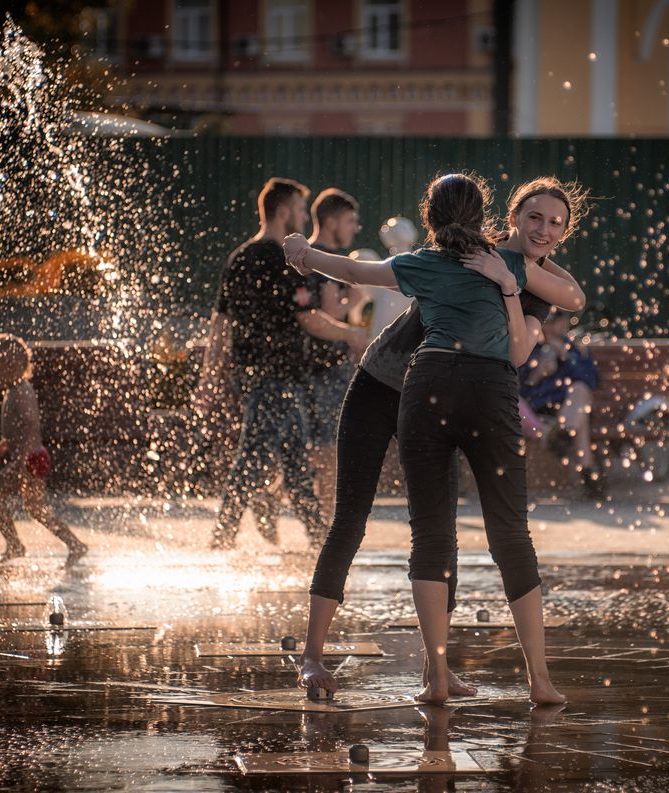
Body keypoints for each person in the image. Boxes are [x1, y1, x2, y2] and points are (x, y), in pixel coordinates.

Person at [285, 173, 585, 705]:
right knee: (352, 519)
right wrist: (307, 256)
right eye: (534, 219)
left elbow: (564, 301)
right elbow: (360, 271)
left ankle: (436, 671)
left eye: (555, 224)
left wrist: (520, 266)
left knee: (438, 533)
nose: (543, 230)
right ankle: (312, 655)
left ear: (564, 231)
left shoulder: (518, 274)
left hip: (432, 394)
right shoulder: (466, 254)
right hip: (382, 385)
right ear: (510, 218)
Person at [212, 178, 368, 550]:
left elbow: (220, 321)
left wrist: (210, 374)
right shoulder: (285, 260)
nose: (303, 218)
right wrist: (351, 334)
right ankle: (222, 535)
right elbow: (309, 318)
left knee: (295, 461)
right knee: (252, 458)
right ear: (283, 213)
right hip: (278, 377)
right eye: (299, 210)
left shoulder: (240, 256)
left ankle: (318, 537)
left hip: (254, 374)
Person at [0, 333, 87, 565]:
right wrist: (2, 447)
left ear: (11, 366)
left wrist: (21, 461)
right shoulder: (14, 390)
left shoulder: (20, 392)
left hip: (30, 459)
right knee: (36, 508)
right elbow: (17, 432)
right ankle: (74, 544)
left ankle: (15, 545)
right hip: (33, 457)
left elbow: (30, 426)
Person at [303, 188, 363, 513]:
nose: (356, 228)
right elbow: (330, 311)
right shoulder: (327, 259)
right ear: (331, 221)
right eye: (351, 221)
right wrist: (354, 300)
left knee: (311, 443)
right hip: (329, 365)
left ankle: (271, 494)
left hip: (307, 365)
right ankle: (326, 516)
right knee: (330, 444)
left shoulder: (305, 255)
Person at [519, 310, 604, 498]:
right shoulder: (529, 348)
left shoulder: (575, 348)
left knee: (580, 390)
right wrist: (537, 375)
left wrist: (566, 357)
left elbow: (591, 380)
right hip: (538, 412)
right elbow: (519, 389)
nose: (548, 327)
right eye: (545, 322)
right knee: (580, 423)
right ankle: (588, 473)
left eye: (553, 322)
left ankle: (560, 436)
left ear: (564, 322)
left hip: (568, 409)